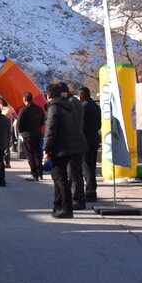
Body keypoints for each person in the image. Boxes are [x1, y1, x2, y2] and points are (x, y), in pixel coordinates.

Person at [43, 82, 87, 219]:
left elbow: (50, 131)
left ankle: (66, 208)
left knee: (60, 178)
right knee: (60, 176)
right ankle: (58, 205)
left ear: (49, 95)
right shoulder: (70, 105)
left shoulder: (53, 108)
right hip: (76, 144)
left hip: (62, 147)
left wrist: (46, 150)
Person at [60, 82, 86, 210]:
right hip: (78, 141)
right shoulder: (76, 102)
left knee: (74, 174)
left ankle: (77, 199)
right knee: (77, 173)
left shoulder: (70, 104)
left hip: (73, 143)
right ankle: (79, 198)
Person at [79, 86, 102, 201]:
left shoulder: (83, 107)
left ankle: (90, 191)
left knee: (87, 167)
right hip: (94, 139)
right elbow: (99, 124)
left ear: (82, 95)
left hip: (85, 141)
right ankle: (92, 189)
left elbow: (81, 125)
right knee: (92, 166)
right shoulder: (96, 107)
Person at [17, 91, 45, 181]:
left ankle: (34, 175)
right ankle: (40, 173)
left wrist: (21, 132)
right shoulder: (39, 109)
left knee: (30, 154)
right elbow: (42, 121)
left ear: (24, 99)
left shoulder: (23, 110)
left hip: (27, 134)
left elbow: (19, 124)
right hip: (37, 133)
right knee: (38, 153)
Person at [0, 98, 14, 167]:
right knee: (4, 147)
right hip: (5, 131)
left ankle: (7, 162)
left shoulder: (7, 111)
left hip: (6, 131)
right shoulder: (6, 110)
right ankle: (4, 161)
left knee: (6, 147)